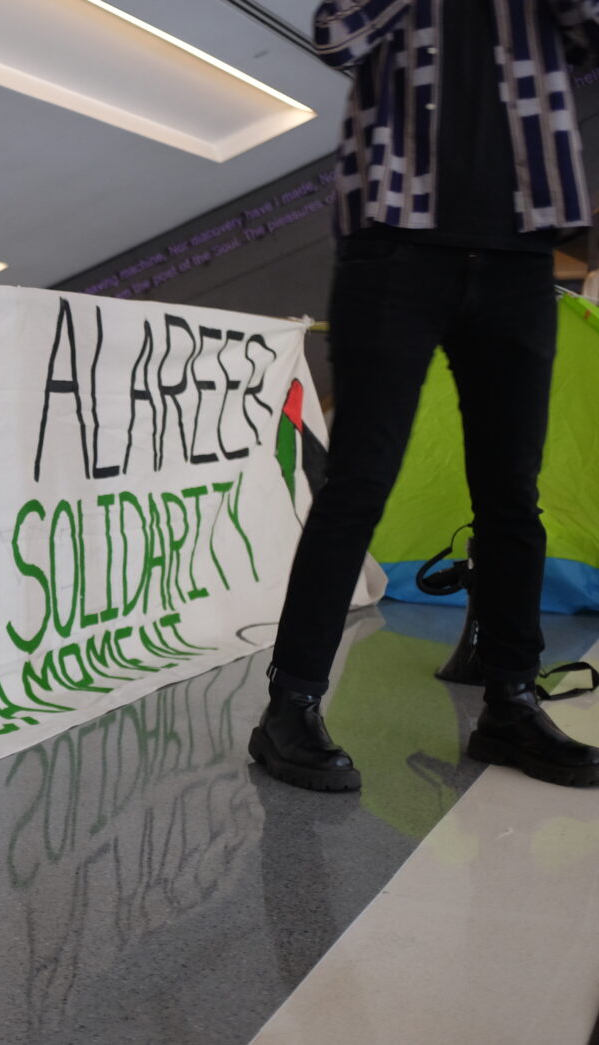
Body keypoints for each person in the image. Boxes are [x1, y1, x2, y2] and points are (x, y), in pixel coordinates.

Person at [251, 0, 599, 791]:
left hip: (518, 249)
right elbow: (337, 30)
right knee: (361, 479)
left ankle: (509, 700)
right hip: (395, 244)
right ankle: (290, 706)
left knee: (513, 491)